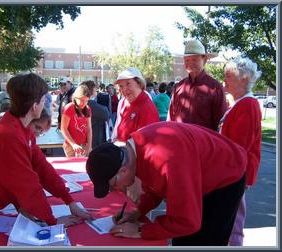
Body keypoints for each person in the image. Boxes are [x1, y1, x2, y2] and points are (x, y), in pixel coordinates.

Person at [0, 73, 91, 246]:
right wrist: (51, 223)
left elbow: (42, 167)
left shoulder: (20, 129)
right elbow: (27, 187)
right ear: (35, 106)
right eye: (44, 101)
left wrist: (70, 201)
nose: (46, 104)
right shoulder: (9, 135)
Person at [86, 121, 247, 246]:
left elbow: (187, 221)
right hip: (199, 169)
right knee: (183, 239)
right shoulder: (134, 150)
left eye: (113, 184)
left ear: (122, 170)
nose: (116, 189)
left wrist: (141, 230)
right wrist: (138, 212)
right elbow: (156, 186)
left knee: (205, 240)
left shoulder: (165, 160)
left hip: (227, 175)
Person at [219, 58, 262, 246]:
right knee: (230, 217)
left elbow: (239, 147)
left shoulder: (248, 105)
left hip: (235, 173)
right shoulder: (239, 103)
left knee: (233, 220)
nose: (224, 80)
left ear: (244, 78)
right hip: (232, 171)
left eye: (229, 76)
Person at [111, 67, 159, 204]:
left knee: (134, 209)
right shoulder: (127, 104)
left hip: (137, 172)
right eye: (121, 86)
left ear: (139, 83)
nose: (124, 89)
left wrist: (137, 181)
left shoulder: (146, 107)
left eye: (128, 84)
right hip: (125, 168)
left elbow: (145, 148)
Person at [167, 39, 227, 131]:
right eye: (187, 60)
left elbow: (219, 124)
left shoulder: (215, 88)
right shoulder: (178, 87)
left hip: (203, 143)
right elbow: (171, 118)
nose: (190, 63)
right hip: (179, 141)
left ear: (204, 60)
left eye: (194, 59)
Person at [61, 84, 92, 157]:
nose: (84, 103)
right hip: (70, 145)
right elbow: (63, 128)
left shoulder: (87, 109)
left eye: (86, 101)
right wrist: (73, 144)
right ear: (75, 98)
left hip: (84, 144)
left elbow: (89, 129)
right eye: (81, 100)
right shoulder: (69, 108)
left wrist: (89, 145)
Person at [81, 80, 110, 149]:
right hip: (93, 141)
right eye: (94, 88)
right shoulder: (90, 104)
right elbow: (106, 114)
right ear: (91, 90)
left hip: (83, 139)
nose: (96, 90)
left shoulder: (79, 103)